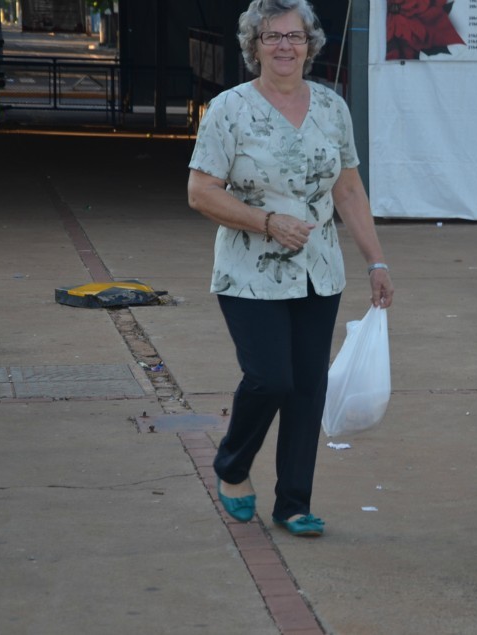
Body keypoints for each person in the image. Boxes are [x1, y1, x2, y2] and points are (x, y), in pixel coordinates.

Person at [187, 0, 394, 538]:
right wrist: (266, 221)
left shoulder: (332, 107)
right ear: (254, 46)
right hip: (248, 272)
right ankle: (232, 465)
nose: (284, 46)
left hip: (318, 271)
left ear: (310, 44)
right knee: (270, 378)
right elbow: (200, 192)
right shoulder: (228, 110)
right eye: (271, 36)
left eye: (294, 36)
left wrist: (376, 259)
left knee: (307, 387)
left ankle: (293, 503)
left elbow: (348, 188)